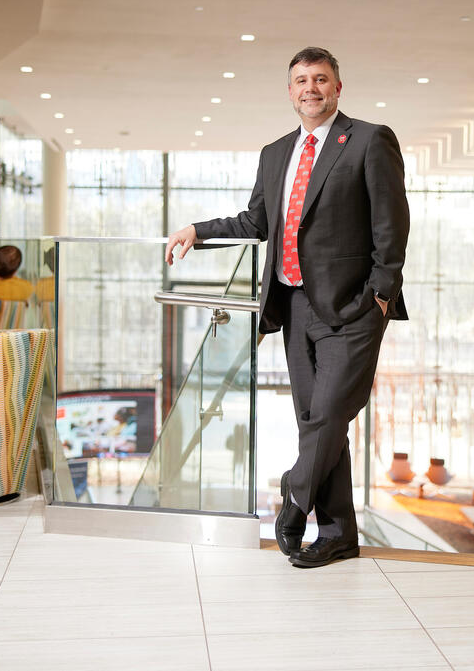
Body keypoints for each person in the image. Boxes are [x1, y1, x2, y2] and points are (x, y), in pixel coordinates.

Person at [165, 46, 409, 569]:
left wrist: (380, 296)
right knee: (315, 421)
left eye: (320, 79)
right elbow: (257, 223)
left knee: (327, 414)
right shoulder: (275, 152)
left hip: (354, 309)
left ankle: (294, 493)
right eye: (300, 80)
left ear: (338, 88)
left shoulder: (369, 140)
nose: (310, 89)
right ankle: (339, 534)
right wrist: (199, 231)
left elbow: (392, 226)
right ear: (290, 91)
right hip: (294, 306)